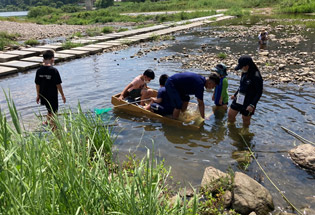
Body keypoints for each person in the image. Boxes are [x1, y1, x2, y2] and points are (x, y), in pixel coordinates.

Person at [228, 55, 263, 127]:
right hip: (239, 97)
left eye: (241, 67)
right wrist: (235, 94)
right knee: (230, 115)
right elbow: (242, 86)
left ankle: (245, 133)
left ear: (247, 66)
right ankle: (232, 130)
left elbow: (259, 92)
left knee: (245, 119)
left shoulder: (256, 76)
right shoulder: (244, 72)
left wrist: (252, 105)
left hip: (249, 101)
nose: (241, 69)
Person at [35, 50, 66, 129]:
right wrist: (62, 95)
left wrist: (38, 95)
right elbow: (58, 84)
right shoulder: (53, 70)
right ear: (52, 59)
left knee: (49, 110)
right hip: (52, 95)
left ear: (43, 59)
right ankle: (54, 128)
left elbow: (37, 84)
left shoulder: (39, 70)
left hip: (43, 95)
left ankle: (46, 122)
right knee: (54, 112)